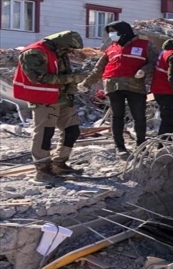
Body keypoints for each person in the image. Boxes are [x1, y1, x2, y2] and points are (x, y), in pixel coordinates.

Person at [13, 31, 87, 183]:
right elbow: (39, 78)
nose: (70, 52)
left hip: (62, 98)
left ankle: (60, 163)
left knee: (72, 131)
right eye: (69, 48)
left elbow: (62, 71)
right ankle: (43, 170)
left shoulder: (59, 51)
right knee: (44, 134)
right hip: (44, 99)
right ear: (61, 43)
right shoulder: (34, 52)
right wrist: (73, 78)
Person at [77, 21, 158, 156]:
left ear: (124, 31)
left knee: (139, 116)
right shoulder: (111, 48)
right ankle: (120, 147)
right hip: (112, 85)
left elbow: (155, 61)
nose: (111, 34)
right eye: (110, 31)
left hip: (135, 85)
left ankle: (141, 145)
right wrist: (86, 83)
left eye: (114, 31)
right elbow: (98, 69)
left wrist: (144, 70)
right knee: (117, 116)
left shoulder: (145, 45)